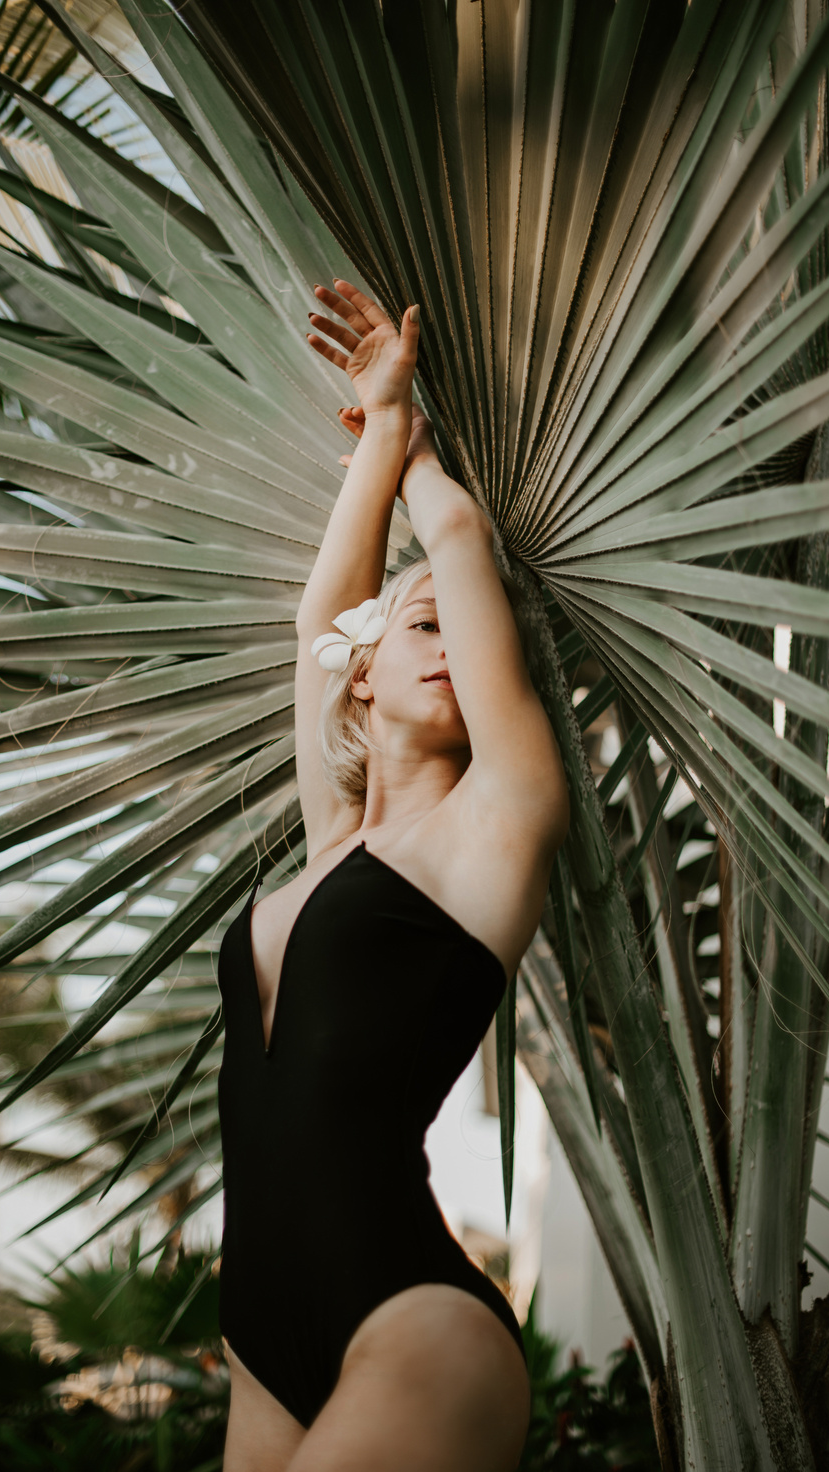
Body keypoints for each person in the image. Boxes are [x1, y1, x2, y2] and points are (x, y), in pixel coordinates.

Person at [216, 279, 569, 1471]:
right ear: (358, 674)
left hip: (413, 1326)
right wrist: (373, 428)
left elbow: (458, 542)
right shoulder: (335, 847)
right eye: (420, 629)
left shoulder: (495, 831)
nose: (456, 655)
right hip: (263, 1346)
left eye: (467, 638)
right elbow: (326, 607)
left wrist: (407, 444)